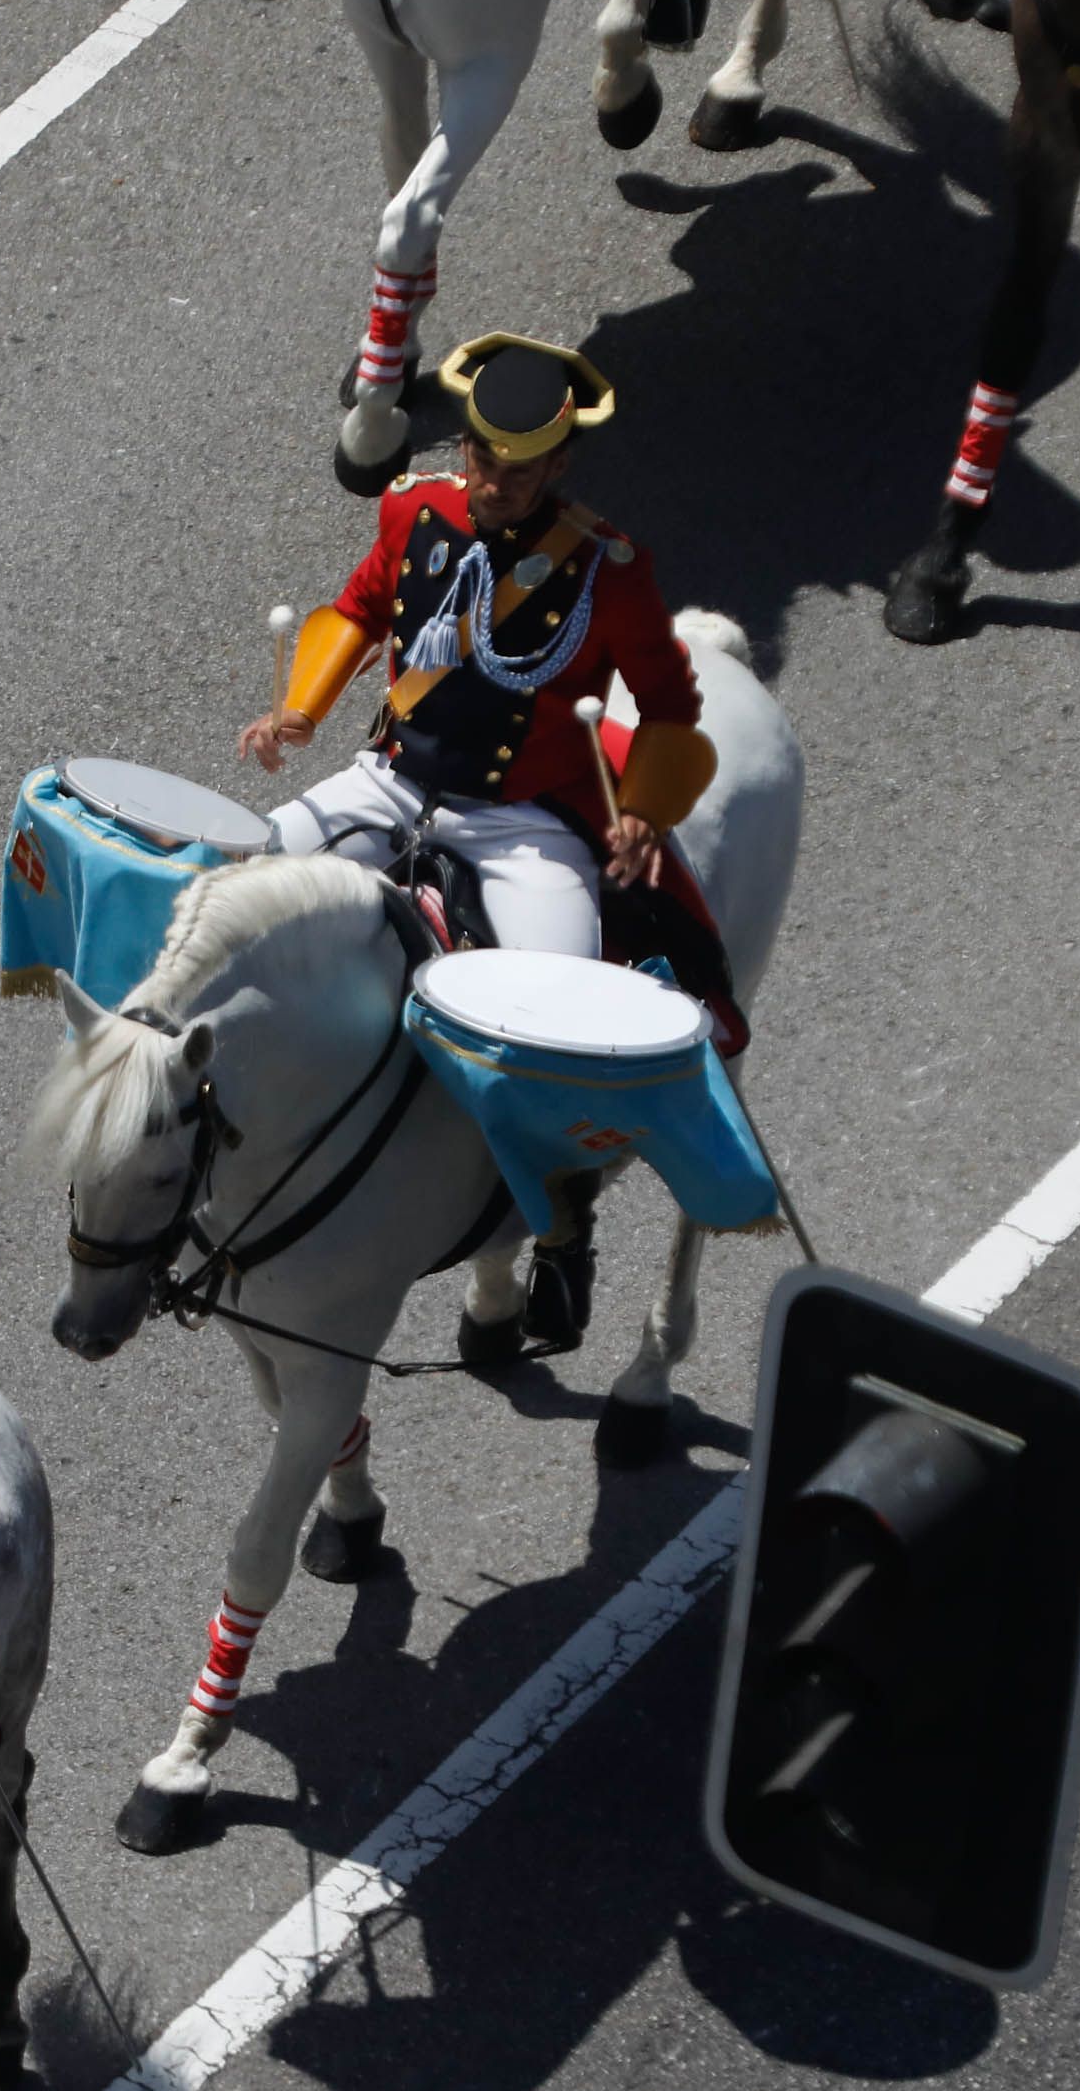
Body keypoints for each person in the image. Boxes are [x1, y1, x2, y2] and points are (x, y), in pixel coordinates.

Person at [238, 332, 721, 1346]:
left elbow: (671, 710)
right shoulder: (415, 509)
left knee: (556, 1017)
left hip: (520, 823)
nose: (492, 480)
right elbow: (364, 606)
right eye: (479, 456)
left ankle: (561, 1226)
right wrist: (300, 710)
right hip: (388, 777)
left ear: (559, 464)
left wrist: (640, 811)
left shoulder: (609, 572)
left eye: (516, 465)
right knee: (234, 880)